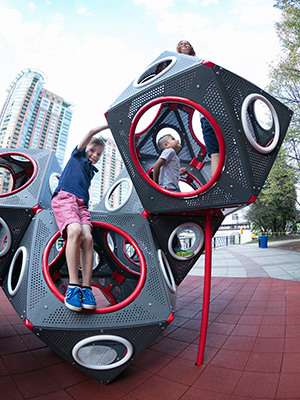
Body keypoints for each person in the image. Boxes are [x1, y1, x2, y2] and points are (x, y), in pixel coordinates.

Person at [51, 125, 108, 312]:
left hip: (82, 205)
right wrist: (110, 124)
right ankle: (73, 287)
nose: (94, 155)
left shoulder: (91, 170)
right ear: (85, 149)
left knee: (88, 238)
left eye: (98, 154)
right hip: (65, 198)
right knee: (74, 231)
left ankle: (86, 287)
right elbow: (91, 132)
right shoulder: (77, 156)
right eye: (92, 150)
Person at [176, 40, 220, 175]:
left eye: (187, 43)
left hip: (213, 113)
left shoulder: (199, 64)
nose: (184, 44)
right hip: (205, 116)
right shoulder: (176, 64)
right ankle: (216, 180)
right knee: (213, 150)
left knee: (224, 150)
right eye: (181, 43)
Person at [153, 134, 193, 257]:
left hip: (173, 188)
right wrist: (156, 185)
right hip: (170, 189)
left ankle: (176, 248)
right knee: (175, 218)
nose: (177, 140)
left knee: (173, 219)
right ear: (166, 145)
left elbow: (168, 171)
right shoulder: (169, 151)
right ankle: (176, 249)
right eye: (173, 139)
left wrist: (179, 172)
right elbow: (156, 166)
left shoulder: (173, 156)